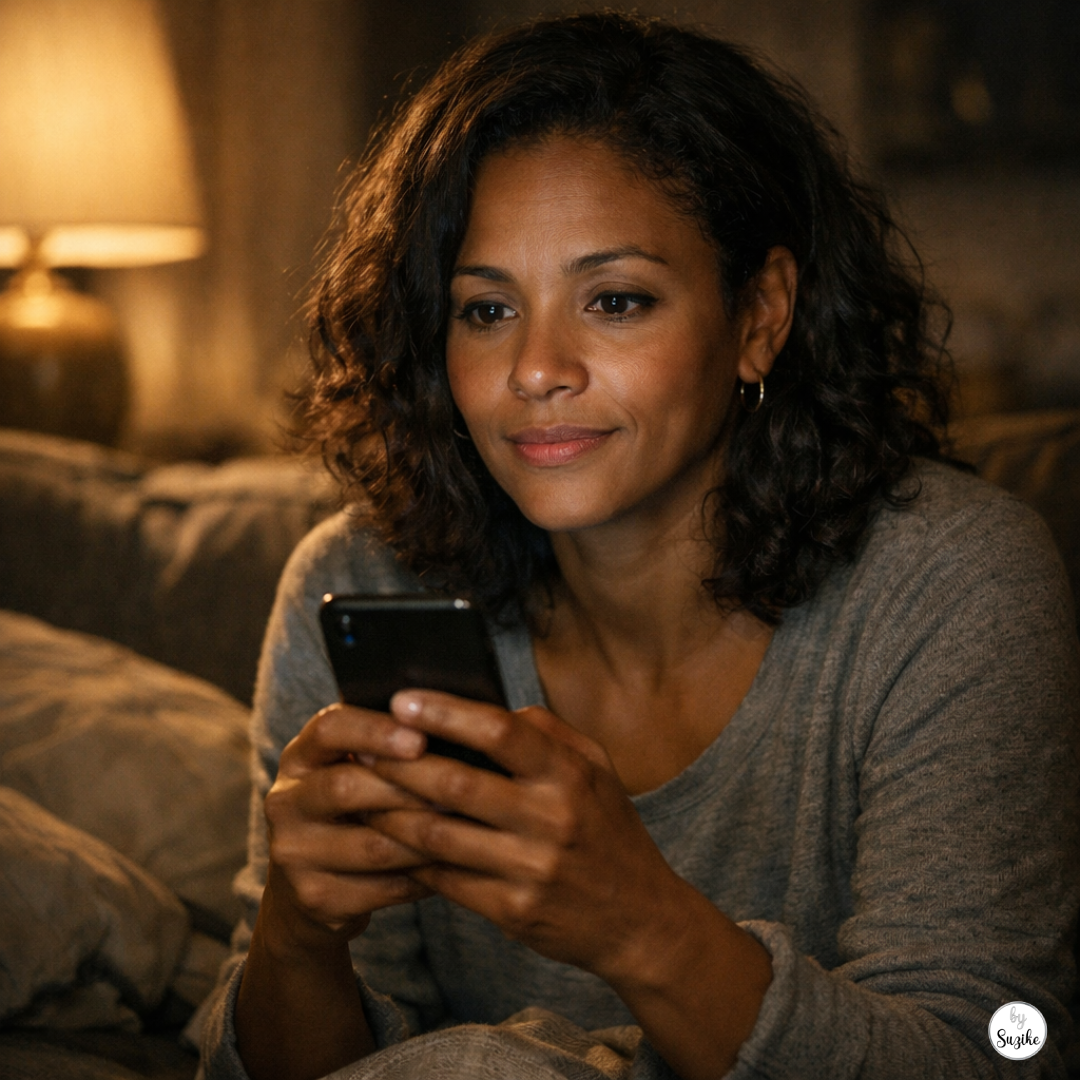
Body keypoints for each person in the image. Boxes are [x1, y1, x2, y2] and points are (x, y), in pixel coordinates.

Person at [199, 12, 1080, 1080]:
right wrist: (298, 937)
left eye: (614, 301)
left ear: (759, 316)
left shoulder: (953, 586)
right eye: (486, 310)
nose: (536, 369)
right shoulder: (356, 579)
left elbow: (1002, 1051)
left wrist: (640, 926)